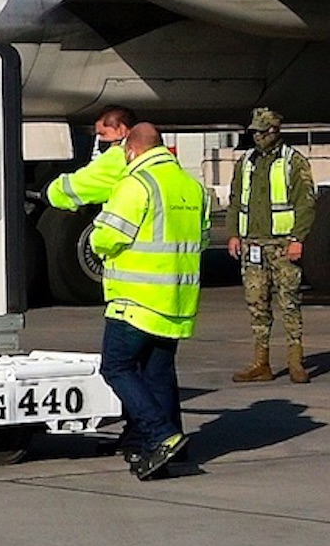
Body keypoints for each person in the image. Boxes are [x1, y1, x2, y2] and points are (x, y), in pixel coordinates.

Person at [90, 123, 206, 480]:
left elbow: (106, 237)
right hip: (175, 300)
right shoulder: (191, 187)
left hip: (136, 299)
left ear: (131, 150)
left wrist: (97, 240)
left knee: (117, 367)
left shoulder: (136, 184)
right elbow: (200, 238)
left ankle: (160, 434)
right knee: (158, 373)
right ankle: (171, 447)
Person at [227, 107, 315, 384]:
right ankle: (261, 362)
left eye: (261, 132)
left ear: (274, 131)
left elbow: (306, 202)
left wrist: (298, 238)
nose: (256, 138)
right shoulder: (246, 162)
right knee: (257, 304)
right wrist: (233, 234)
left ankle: (295, 361)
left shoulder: (293, 162)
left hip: (282, 244)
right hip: (253, 244)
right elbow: (235, 200)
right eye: (254, 133)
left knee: (289, 301)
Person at [46, 105, 137, 211]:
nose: (100, 140)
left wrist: (51, 192)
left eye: (103, 134)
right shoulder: (147, 153)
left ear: (121, 130)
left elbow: (82, 185)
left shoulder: (118, 155)